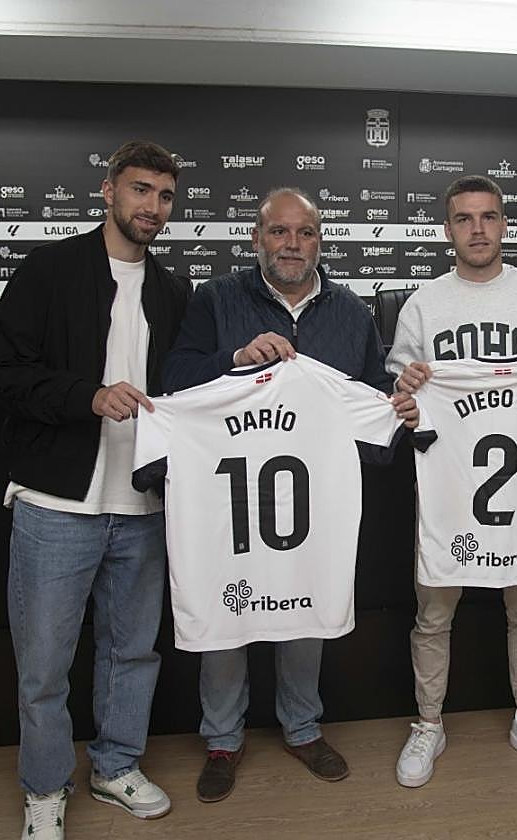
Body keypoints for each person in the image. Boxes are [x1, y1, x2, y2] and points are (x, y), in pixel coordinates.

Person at [162, 187, 415, 803]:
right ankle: (222, 739)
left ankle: (302, 729)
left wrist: (394, 408)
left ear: (320, 241)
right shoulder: (217, 299)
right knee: (227, 613)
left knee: (305, 609)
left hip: (311, 504)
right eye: (279, 232)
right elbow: (173, 381)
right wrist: (237, 359)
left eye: (304, 233)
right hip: (230, 502)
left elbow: (373, 390)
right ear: (256, 239)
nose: (292, 245)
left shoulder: (350, 311)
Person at [0, 140, 193, 839]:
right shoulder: (50, 269)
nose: (151, 208)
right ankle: (44, 789)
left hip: (142, 508)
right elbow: (3, 372)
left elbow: (192, 391)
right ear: (108, 191)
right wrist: (88, 396)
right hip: (56, 506)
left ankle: (114, 766)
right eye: (139, 191)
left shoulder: (171, 290)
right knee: (43, 665)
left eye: (163, 196)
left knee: (132, 652)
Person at [388, 174, 517, 787]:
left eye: (488, 217)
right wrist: (409, 387)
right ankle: (429, 723)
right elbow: (396, 390)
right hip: (449, 488)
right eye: (463, 218)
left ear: (504, 224)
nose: (477, 229)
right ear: (447, 228)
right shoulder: (423, 304)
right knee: (433, 613)